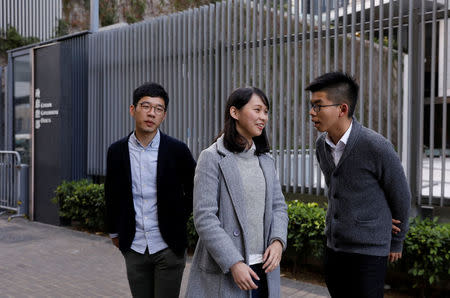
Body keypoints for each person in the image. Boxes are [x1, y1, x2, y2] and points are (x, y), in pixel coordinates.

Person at [306, 72, 411, 298]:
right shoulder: (321, 145)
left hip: (368, 253)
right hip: (334, 248)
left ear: (342, 109)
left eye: (318, 106)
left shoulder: (376, 146)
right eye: (311, 106)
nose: (311, 113)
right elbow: (336, 189)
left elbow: (401, 196)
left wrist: (397, 241)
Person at [185, 87, 288, 298]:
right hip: (228, 269)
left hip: (264, 269)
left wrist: (278, 242)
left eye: (266, 111)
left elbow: (279, 206)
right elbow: (204, 217)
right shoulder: (212, 158)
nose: (263, 117)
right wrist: (233, 262)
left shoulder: (266, 161)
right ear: (235, 112)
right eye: (257, 110)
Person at [105, 82, 196, 298]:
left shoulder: (177, 150)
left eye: (158, 108)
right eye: (145, 106)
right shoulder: (117, 151)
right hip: (134, 246)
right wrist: (115, 232)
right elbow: (112, 194)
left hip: (168, 246)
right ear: (132, 109)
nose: (151, 113)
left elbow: (195, 190)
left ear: (164, 115)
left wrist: (178, 219)